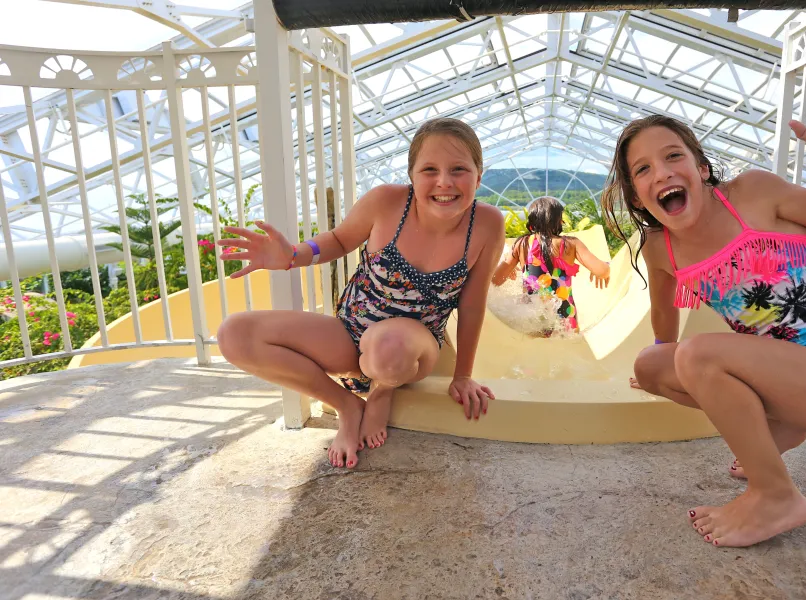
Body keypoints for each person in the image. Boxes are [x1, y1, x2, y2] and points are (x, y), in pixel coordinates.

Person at [605, 64, 806, 547]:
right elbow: (665, 318)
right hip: (796, 383)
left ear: (700, 168)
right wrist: (666, 362)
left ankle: (775, 494)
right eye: (642, 170)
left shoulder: (754, 194)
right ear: (637, 195)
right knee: (656, 363)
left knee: (699, 354)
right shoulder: (661, 248)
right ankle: (784, 426)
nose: (661, 173)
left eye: (672, 156)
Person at [216, 118, 505, 469]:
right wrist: (292, 255)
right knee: (235, 335)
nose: (444, 181)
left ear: (479, 175)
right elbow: (338, 240)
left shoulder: (488, 224)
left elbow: (472, 304)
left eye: (459, 169)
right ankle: (348, 405)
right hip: (351, 332)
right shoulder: (386, 202)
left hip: (410, 349)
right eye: (429, 169)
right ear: (412, 175)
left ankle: (382, 390)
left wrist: (462, 376)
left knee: (387, 348)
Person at [491, 196, 611, 335]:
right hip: (565, 319)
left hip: (532, 319)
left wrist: (505, 267)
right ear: (559, 221)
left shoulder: (521, 244)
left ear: (532, 221)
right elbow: (602, 271)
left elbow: (494, 281)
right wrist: (602, 267)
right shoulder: (571, 244)